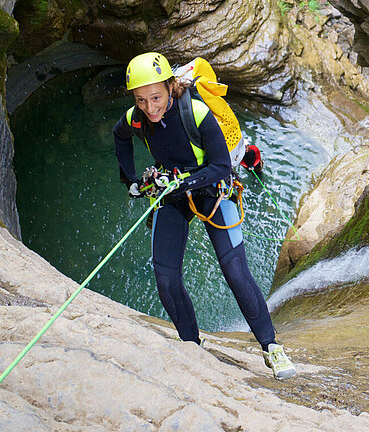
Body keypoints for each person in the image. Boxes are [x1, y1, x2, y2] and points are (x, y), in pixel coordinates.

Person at [113, 51, 296, 379]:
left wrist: (183, 182)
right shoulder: (136, 118)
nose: (150, 108)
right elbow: (120, 136)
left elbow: (221, 166)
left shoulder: (196, 114)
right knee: (166, 279)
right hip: (173, 194)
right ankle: (191, 347)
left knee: (235, 272)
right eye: (141, 100)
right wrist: (130, 181)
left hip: (212, 190)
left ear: (171, 87)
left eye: (155, 97)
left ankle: (272, 347)